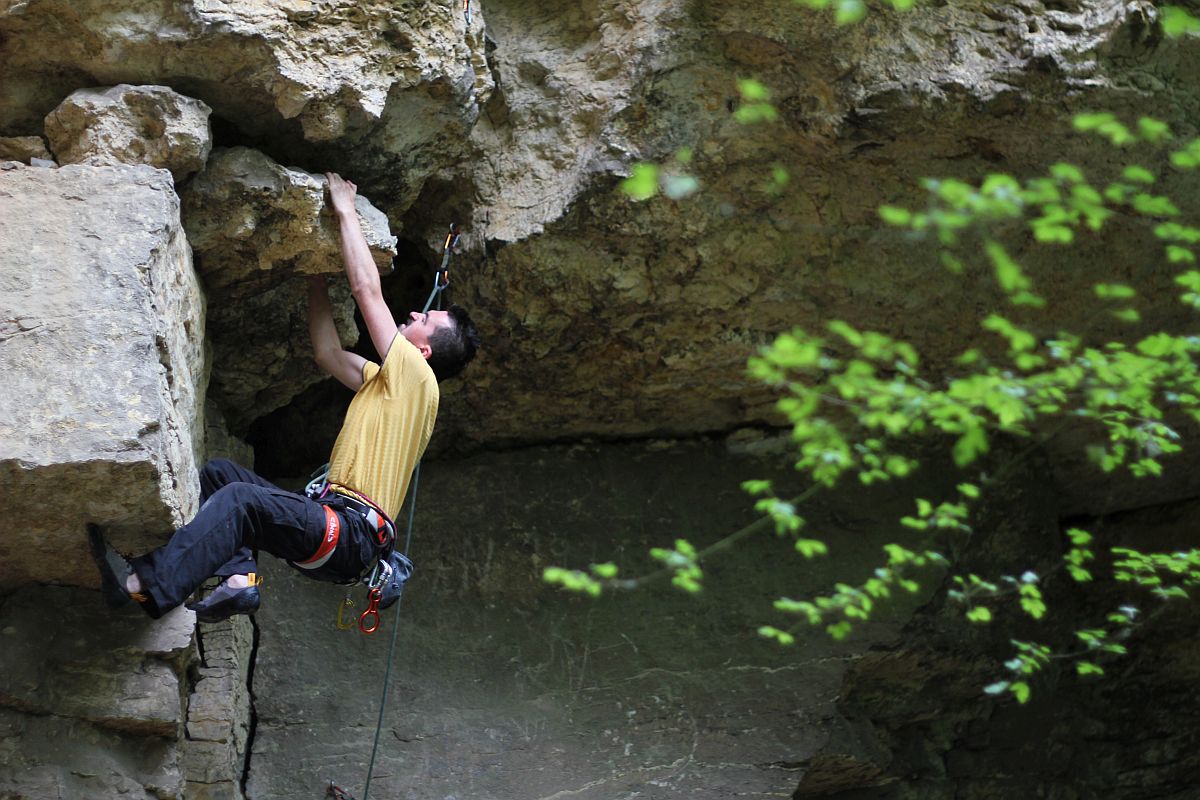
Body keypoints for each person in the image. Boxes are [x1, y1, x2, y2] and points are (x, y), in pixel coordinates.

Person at [88, 172, 479, 622]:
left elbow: (367, 290)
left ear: (424, 350)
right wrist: (315, 282)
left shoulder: (418, 378)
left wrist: (345, 210)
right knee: (220, 477)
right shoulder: (388, 385)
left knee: (240, 500)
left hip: (348, 531)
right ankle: (238, 581)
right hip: (335, 528)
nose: (414, 312)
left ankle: (141, 585)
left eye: (425, 317)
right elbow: (328, 353)